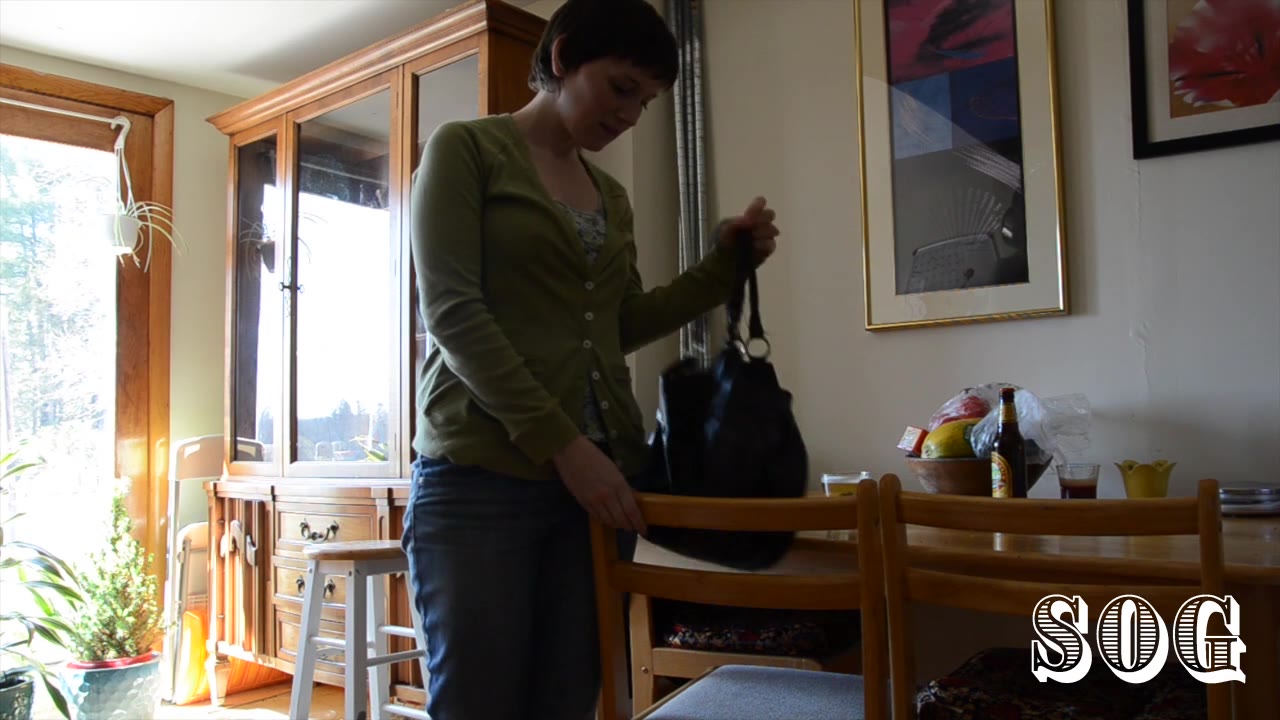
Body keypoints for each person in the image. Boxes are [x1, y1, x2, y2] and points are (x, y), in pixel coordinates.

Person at [402, 1, 780, 718]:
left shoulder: (611, 196)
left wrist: (722, 269)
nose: (631, 115)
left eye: (646, 101)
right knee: (478, 703)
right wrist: (565, 447)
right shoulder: (466, 150)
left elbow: (615, 324)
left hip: (596, 487)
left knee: (569, 699)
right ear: (564, 55)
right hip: (479, 480)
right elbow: (453, 316)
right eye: (621, 87)